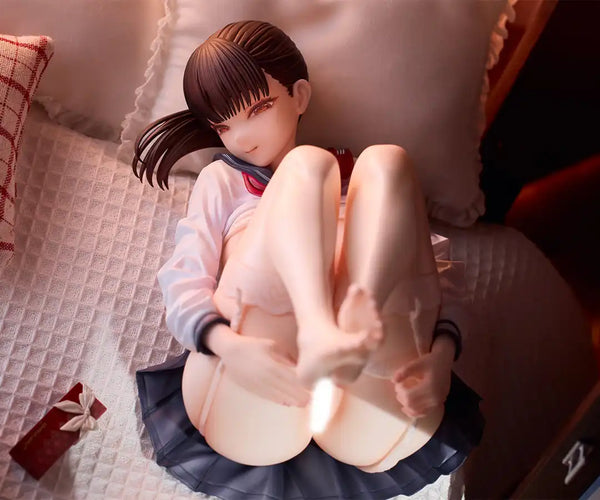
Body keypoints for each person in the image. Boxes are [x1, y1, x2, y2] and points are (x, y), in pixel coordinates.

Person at [134, 20, 483, 500]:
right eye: (224, 125)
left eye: (258, 109)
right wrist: (228, 346)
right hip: (253, 378)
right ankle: (320, 328)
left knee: (388, 163)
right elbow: (184, 278)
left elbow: (437, 274)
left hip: (365, 404)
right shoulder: (225, 181)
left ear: (299, 95)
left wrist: (440, 357)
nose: (243, 138)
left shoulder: (358, 184)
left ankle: (355, 321)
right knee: (308, 166)